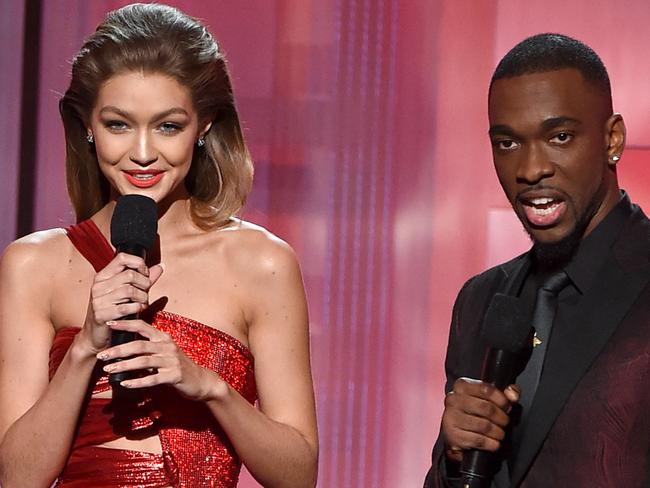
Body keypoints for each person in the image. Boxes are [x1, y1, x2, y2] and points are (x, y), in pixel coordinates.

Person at [0, 3, 318, 487]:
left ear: (204, 125)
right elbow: (18, 478)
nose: (144, 152)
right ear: (87, 125)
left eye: (168, 126)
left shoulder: (261, 263)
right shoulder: (33, 265)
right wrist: (86, 345)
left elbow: (297, 476)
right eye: (118, 124)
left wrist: (209, 387)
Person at [424, 33, 649, 487]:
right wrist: (452, 456)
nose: (530, 169)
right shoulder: (481, 300)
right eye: (507, 143)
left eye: (559, 136)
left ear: (612, 139)